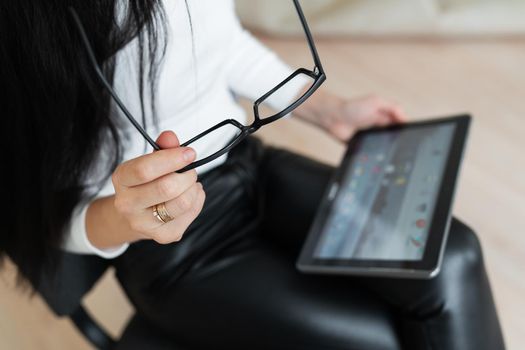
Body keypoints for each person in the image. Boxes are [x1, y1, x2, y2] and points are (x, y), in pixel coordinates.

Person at [0, 1, 505, 349]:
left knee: (452, 255)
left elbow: (224, 44)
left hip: (249, 166)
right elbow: (35, 216)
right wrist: (130, 216)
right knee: (391, 338)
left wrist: (329, 111)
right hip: (178, 252)